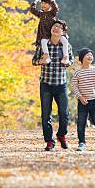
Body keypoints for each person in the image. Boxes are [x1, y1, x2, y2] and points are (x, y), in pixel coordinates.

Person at [32, 20, 74, 151]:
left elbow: (71, 61)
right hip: (46, 84)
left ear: (63, 32)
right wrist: (40, 61)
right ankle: (49, 141)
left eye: (59, 28)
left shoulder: (66, 46)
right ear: (51, 29)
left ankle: (61, 135)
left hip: (60, 84)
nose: (56, 28)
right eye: (55, 26)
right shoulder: (43, 46)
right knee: (46, 115)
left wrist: (67, 62)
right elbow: (34, 61)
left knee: (64, 113)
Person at [71, 48, 95, 151]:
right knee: (81, 123)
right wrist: (80, 97)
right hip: (83, 101)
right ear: (82, 58)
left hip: (94, 100)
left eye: (91, 55)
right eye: (88, 55)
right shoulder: (77, 72)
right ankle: (82, 143)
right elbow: (74, 86)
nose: (90, 57)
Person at [30, 0, 70, 65]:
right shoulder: (40, 14)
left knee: (64, 41)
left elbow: (56, 9)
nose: (43, 5)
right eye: (42, 3)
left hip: (53, 34)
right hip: (45, 34)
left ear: (50, 5)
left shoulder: (52, 13)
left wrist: (52, 1)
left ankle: (65, 57)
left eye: (45, 3)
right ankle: (46, 56)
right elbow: (32, 10)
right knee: (43, 42)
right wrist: (34, 3)